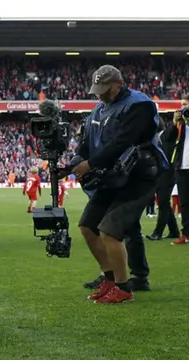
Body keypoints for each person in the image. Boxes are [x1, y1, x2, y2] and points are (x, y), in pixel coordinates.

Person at [72, 65, 167, 304]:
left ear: (119, 83)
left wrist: (90, 164)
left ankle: (123, 288)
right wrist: (76, 160)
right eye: (97, 90)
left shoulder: (140, 104)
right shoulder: (98, 110)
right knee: (87, 226)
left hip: (139, 175)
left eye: (104, 89)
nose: (100, 94)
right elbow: (84, 142)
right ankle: (110, 279)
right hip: (111, 177)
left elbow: (124, 140)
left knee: (109, 230)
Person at [147, 116, 179, 240]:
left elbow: (172, 130)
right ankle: (174, 231)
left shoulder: (166, 135)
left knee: (163, 201)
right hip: (161, 174)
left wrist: (176, 120)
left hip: (167, 174)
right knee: (164, 202)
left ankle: (158, 232)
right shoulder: (155, 139)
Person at [164, 94, 189, 245]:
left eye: (185, 104)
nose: (183, 108)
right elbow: (167, 138)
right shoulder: (180, 125)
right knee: (185, 202)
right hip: (182, 167)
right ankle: (186, 234)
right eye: (182, 105)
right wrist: (175, 124)